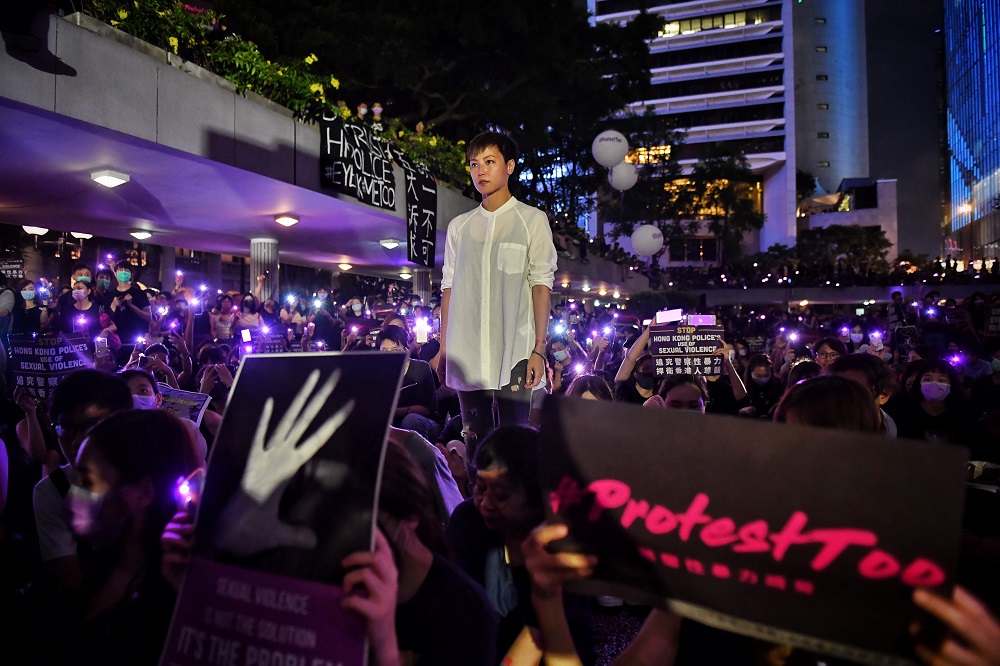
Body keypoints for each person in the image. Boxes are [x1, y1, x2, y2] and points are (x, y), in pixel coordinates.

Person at [163, 439, 497, 665]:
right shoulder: (315, 572)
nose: (333, 538)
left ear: (408, 517)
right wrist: (196, 590)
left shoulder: (463, 612)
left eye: (353, 521)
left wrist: (383, 642)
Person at [17, 409, 201, 665]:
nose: (74, 495)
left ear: (143, 492)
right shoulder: (102, 565)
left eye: (88, 482)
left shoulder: (172, 600)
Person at [438, 130, 558, 473]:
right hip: (467, 350)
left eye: (489, 162)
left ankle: (517, 514)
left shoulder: (532, 220)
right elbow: (449, 287)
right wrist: (445, 347)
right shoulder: (460, 227)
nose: (480, 171)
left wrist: (539, 347)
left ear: (510, 166)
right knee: (475, 440)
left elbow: (540, 284)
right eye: (474, 164)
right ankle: (478, 510)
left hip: (516, 350)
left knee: (513, 440)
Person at [447, 425, 593, 664]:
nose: (485, 502)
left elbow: (547, 635)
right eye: (480, 488)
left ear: (537, 499)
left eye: (500, 495)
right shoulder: (467, 522)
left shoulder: (559, 543)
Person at [31, 369, 134, 594]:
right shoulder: (54, 490)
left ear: (124, 422)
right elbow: (70, 585)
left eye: (91, 427)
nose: (78, 442)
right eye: (66, 429)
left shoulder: (156, 473)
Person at [828, 353, 898, 437]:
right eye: (835, 390)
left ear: (883, 395)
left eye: (853, 391)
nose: (841, 398)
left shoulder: (895, 427)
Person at [108, 261, 151, 362]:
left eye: (126, 270)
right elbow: (106, 319)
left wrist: (131, 306)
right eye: (120, 270)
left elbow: (149, 317)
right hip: (116, 341)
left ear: (131, 274)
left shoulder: (139, 294)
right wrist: (114, 305)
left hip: (135, 341)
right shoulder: (110, 295)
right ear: (115, 273)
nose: (123, 272)